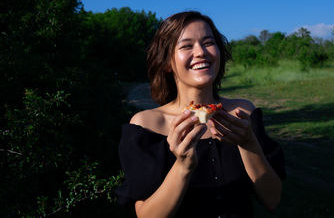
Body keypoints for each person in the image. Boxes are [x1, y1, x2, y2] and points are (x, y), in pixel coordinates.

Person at [116, 11, 286, 218]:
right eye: (187, 45)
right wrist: (183, 166)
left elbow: (272, 199)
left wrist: (249, 144)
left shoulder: (243, 113)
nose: (201, 52)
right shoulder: (146, 125)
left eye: (208, 42)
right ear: (167, 62)